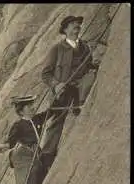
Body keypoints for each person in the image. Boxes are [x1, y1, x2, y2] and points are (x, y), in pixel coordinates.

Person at [40, 15, 98, 171]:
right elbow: (45, 73)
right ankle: (46, 157)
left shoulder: (85, 47)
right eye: (73, 25)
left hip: (80, 86)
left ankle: (80, 105)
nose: (77, 27)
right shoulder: (57, 49)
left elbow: (88, 65)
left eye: (78, 25)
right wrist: (56, 84)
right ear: (65, 30)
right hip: (63, 89)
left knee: (90, 78)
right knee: (55, 122)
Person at [0, 95, 63, 184]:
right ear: (21, 111)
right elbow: (11, 142)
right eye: (29, 106)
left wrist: (56, 100)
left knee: (31, 177)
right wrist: (3, 146)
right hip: (24, 155)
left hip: (36, 153)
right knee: (28, 178)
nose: (32, 107)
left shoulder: (37, 118)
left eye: (32, 105)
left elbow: (51, 111)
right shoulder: (19, 125)